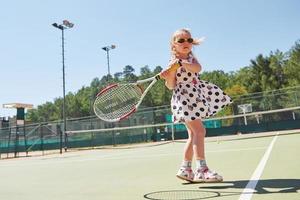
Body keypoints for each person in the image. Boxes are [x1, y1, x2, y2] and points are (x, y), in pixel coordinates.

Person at [160, 28, 232, 182]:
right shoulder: (171, 63)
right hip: (184, 99)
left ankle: (185, 169)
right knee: (200, 131)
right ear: (174, 45)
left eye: (189, 40)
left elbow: (198, 69)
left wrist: (182, 63)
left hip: (195, 96)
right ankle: (202, 169)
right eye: (181, 40)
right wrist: (168, 75)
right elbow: (171, 85)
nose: (186, 43)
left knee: (193, 134)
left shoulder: (191, 59)